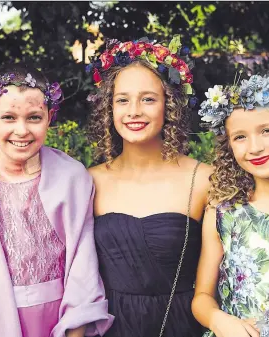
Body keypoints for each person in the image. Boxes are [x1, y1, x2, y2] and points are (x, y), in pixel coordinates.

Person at [0, 63, 113, 337]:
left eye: (34, 117)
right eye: (8, 118)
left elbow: (83, 271)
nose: (21, 131)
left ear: (50, 116)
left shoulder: (72, 178)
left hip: (58, 321)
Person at [86, 36, 213, 337]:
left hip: (181, 325)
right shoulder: (89, 181)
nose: (134, 111)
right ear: (109, 107)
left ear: (169, 105)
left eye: (148, 99)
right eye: (122, 100)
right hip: (109, 327)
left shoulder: (204, 179)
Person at [192, 74, 269, 337]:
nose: (255, 147)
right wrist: (218, 320)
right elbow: (202, 297)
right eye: (240, 137)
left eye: (267, 131)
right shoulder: (223, 212)